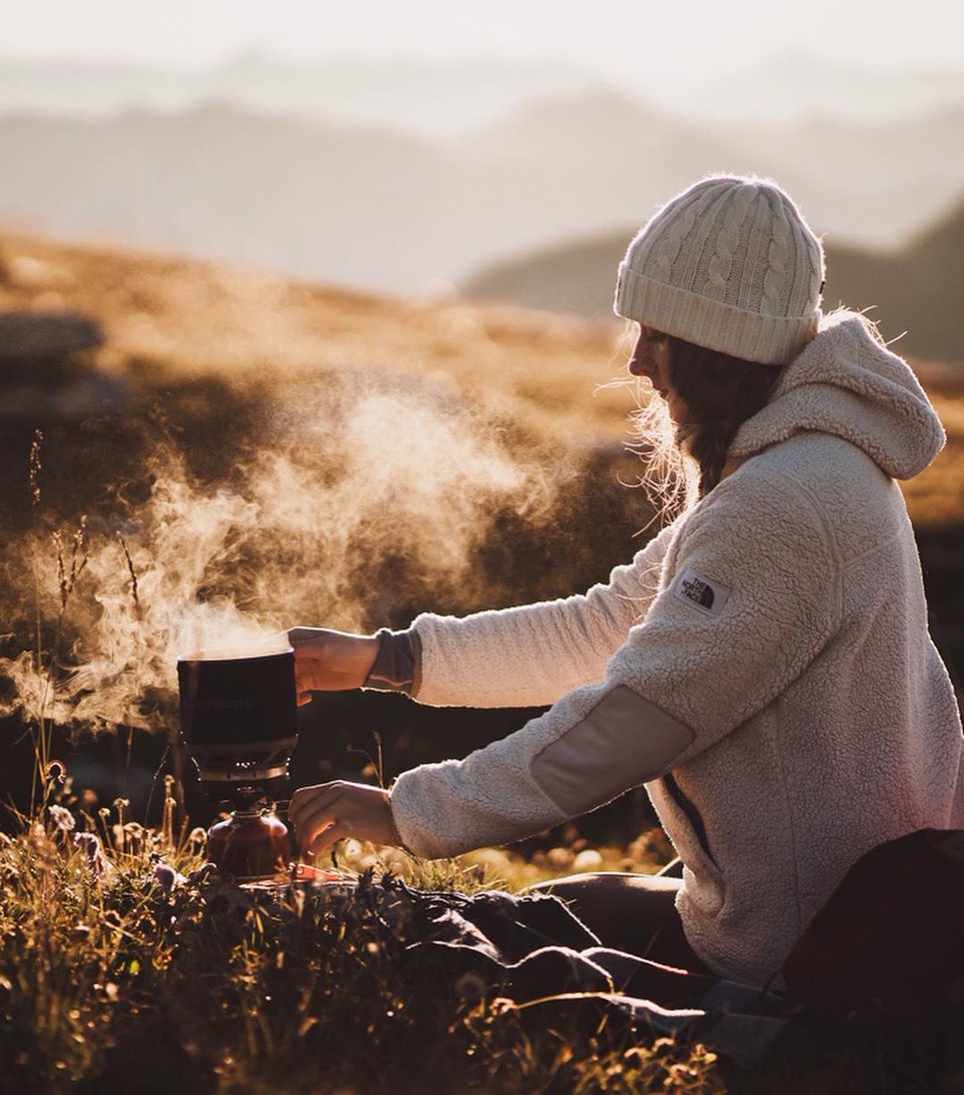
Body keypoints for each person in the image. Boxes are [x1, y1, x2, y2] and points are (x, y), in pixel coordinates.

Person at [287, 174, 963, 987]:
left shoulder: (785, 503)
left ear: (716, 347)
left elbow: (631, 725)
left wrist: (406, 813)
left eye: (657, 334)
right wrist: (382, 659)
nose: (638, 361)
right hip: (812, 910)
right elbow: (608, 625)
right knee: (565, 902)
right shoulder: (802, 465)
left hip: (799, 955)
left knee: (466, 960)